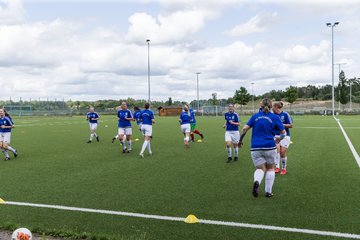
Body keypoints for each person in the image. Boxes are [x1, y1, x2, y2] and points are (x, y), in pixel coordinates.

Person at [239, 98, 286, 198]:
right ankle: (268, 192)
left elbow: (244, 129)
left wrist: (240, 140)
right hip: (269, 146)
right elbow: (283, 133)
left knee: (260, 169)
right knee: (270, 169)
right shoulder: (275, 117)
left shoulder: (255, 116)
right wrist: (278, 139)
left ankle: (257, 181)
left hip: (255, 147)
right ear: (271, 106)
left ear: (261, 106)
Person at [272, 102, 293, 175]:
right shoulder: (272, 115)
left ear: (276, 107)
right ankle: (277, 167)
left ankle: (284, 168)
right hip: (275, 135)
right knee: (276, 150)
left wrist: (281, 125)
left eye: (272, 107)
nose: (271, 109)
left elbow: (291, 125)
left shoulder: (285, 114)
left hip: (285, 136)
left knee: (282, 152)